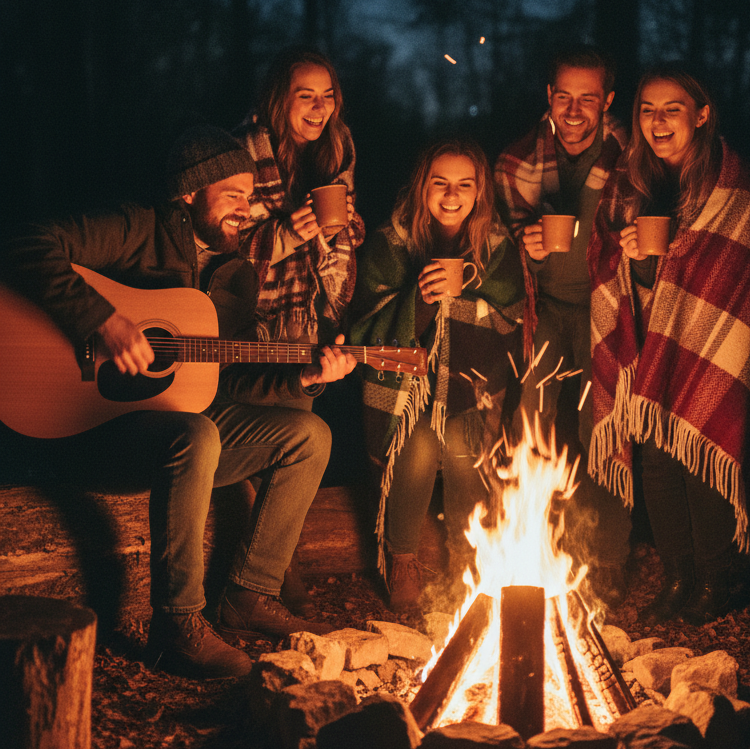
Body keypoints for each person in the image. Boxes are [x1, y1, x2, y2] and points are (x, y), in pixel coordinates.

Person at [4, 127, 356, 678]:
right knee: (197, 433)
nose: (248, 209)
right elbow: (25, 243)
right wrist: (101, 319)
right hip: (87, 427)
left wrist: (307, 380)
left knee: (310, 436)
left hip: (176, 428)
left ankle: (249, 593)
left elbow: (231, 386)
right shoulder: (135, 229)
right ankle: (178, 625)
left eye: (251, 196)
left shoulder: (235, 274)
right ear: (190, 193)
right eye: (233, 195)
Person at [589, 65, 750, 624]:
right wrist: (631, 259)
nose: (658, 121)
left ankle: (719, 577)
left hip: (713, 344)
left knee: (698, 445)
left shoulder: (732, 187)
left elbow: (727, 272)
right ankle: (678, 575)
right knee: (655, 458)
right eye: (647, 109)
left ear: (702, 114)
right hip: (650, 344)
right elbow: (619, 270)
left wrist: (671, 259)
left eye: (672, 109)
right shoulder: (629, 182)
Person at [349, 140, 525, 610]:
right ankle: (401, 556)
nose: (452, 195)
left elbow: (512, 316)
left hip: (472, 387)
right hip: (404, 391)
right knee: (422, 442)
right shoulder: (392, 241)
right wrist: (422, 299)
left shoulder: (495, 246)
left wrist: (464, 290)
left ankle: (471, 558)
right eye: (439, 184)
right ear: (421, 188)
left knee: (463, 444)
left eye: (464, 185)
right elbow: (366, 322)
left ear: (479, 192)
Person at [494, 45, 631, 607]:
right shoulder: (516, 162)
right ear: (549, 97)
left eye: (588, 99)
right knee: (532, 420)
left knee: (605, 428)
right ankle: (531, 548)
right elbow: (493, 245)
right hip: (545, 309)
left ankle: (609, 562)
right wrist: (522, 245)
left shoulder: (631, 157)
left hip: (607, 309)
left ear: (608, 102)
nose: (575, 111)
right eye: (564, 97)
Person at [234, 46, 364, 344]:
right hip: (258, 323)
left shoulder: (338, 151)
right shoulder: (243, 154)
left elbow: (347, 238)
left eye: (328, 95)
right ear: (280, 99)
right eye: (306, 96)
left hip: (319, 319)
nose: (320, 108)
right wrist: (287, 236)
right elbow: (222, 249)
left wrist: (336, 230)